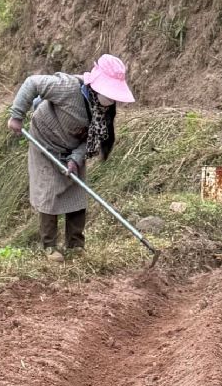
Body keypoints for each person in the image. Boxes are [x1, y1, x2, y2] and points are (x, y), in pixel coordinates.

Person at [7, 55, 135, 256]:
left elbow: (91, 141)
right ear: (95, 85)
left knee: (77, 192)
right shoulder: (67, 88)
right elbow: (32, 83)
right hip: (45, 141)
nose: (111, 100)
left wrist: (75, 159)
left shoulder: (104, 112)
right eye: (109, 93)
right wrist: (17, 115)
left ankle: (75, 245)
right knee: (49, 192)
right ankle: (49, 247)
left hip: (73, 146)